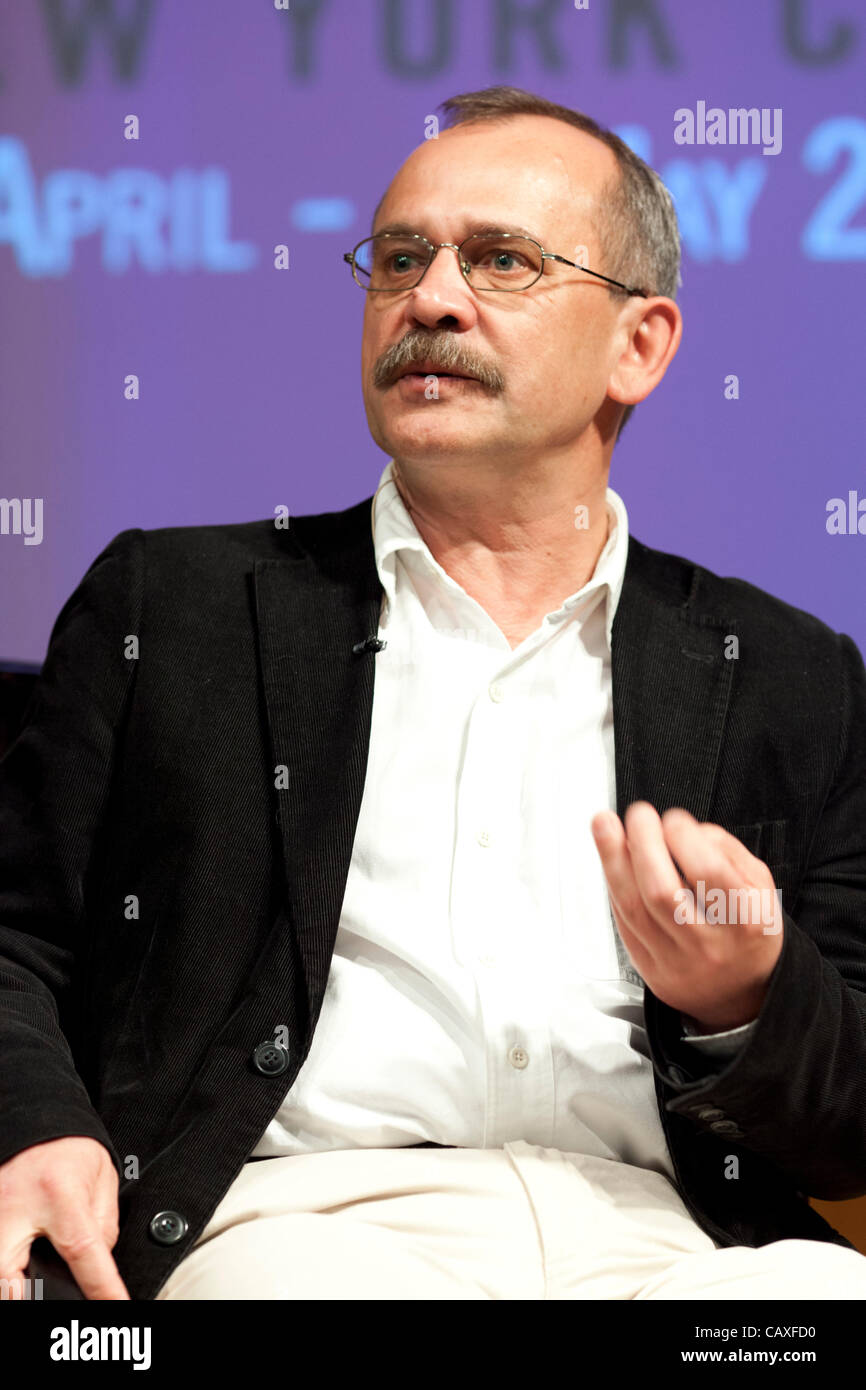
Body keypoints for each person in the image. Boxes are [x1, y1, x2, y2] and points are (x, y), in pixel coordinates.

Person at [2, 85, 866, 1303]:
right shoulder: (175, 605)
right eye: (400, 258)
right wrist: (31, 1126)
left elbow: (848, 1121)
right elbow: (16, 939)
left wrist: (742, 1000)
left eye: (501, 260)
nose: (430, 298)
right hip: (306, 1230)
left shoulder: (786, 673)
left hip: (676, 1247)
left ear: (641, 345)